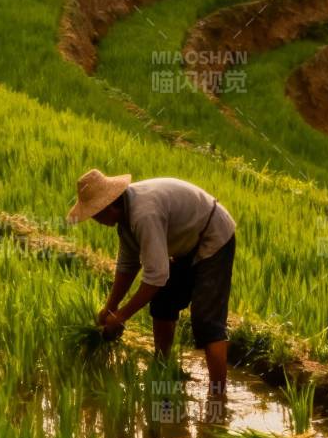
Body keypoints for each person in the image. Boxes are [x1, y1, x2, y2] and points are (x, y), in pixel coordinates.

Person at [67, 169, 236, 397]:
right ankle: (161, 366)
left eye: (95, 214)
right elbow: (128, 265)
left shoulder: (143, 214)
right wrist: (110, 307)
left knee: (206, 322)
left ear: (109, 207)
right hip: (185, 243)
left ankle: (218, 396)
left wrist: (122, 316)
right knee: (163, 303)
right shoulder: (126, 219)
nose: (95, 220)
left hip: (213, 236)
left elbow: (156, 277)